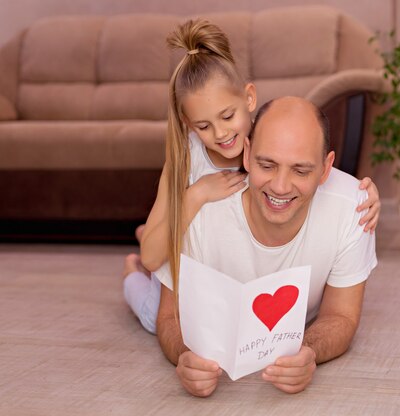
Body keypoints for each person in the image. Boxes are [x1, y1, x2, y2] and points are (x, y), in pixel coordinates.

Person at [122, 19, 380, 335]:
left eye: (228, 116)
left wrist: (364, 193)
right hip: (179, 267)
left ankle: (149, 230)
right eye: (203, 126)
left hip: (227, 275)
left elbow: (305, 161)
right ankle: (129, 272)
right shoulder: (185, 163)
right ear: (188, 124)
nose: (220, 134)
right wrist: (195, 195)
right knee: (150, 311)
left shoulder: (266, 138)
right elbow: (153, 258)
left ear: (249, 98)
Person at [155, 96, 377, 397]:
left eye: (301, 171)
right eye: (267, 165)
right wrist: (185, 354)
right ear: (247, 154)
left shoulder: (356, 208)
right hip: (202, 303)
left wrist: (308, 351)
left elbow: (342, 316)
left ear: (326, 169)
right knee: (145, 287)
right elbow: (169, 316)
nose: (280, 187)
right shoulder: (200, 211)